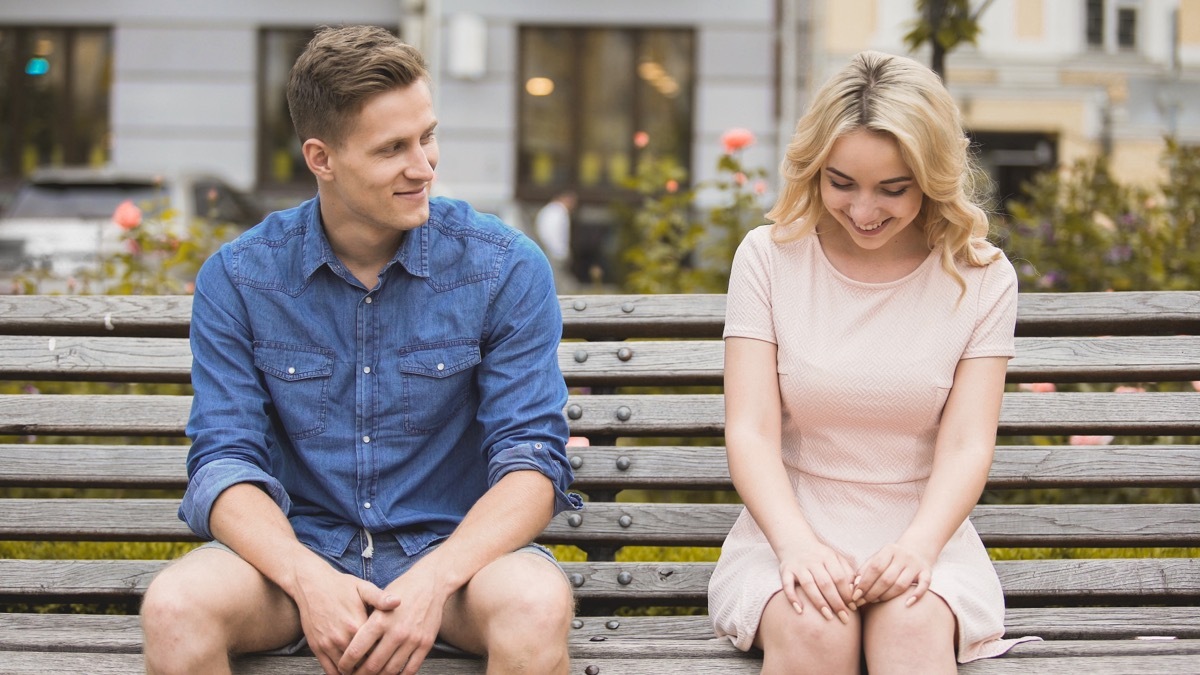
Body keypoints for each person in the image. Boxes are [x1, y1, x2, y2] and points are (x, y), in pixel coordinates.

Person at [139, 25, 581, 675]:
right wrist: (307, 576)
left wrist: (434, 579)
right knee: (175, 609)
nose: (423, 166)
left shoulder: (504, 268)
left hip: (458, 562)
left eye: (427, 136)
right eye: (392, 149)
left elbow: (533, 463)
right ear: (321, 158)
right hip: (297, 558)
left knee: (536, 606)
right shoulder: (240, 277)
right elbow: (223, 464)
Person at [706, 50, 1039, 673]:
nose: (864, 212)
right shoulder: (768, 258)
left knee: (911, 634)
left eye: (893, 189)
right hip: (787, 533)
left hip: (925, 536)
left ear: (932, 176)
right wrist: (797, 547)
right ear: (814, 170)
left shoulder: (982, 277)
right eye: (842, 183)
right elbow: (749, 430)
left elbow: (968, 443)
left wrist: (918, 548)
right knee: (813, 629)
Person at [533, 191, 578, 292]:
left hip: (552, 253)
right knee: (560, 287)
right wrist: (560, 253)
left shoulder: (550, 210)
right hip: (554, 255)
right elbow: (551, 234)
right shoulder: (557, 212)